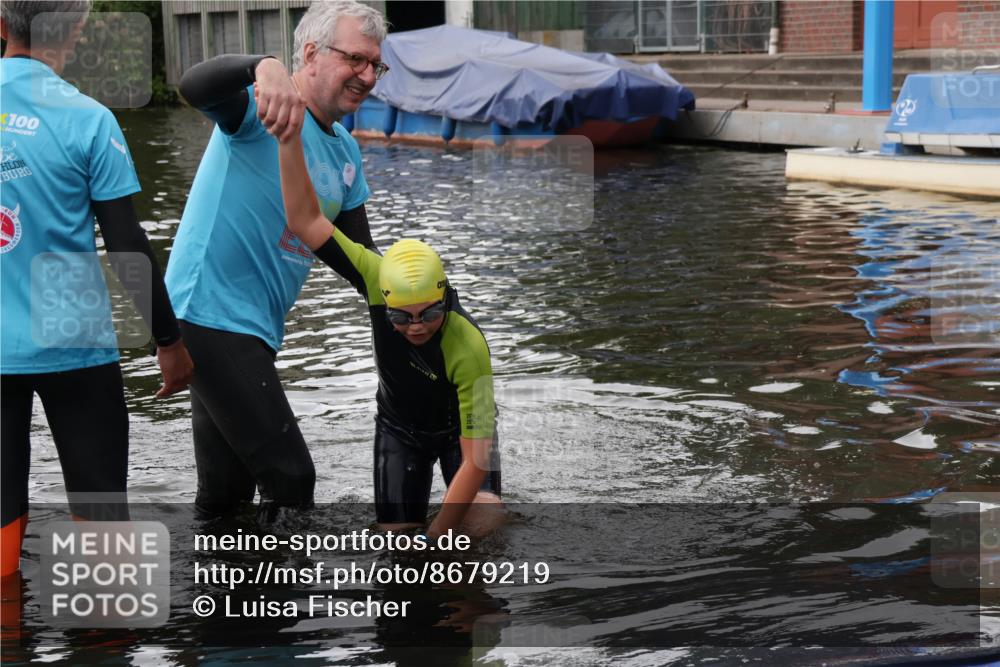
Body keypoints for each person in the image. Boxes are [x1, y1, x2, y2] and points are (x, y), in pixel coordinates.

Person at [165, 1, 387, 518]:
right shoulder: (260, 107)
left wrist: (432, 305)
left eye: (376, 65)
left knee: (226, 496)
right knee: (292, 477)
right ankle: (289, 599)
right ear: (310, 53)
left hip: (253, 331)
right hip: (206, 315)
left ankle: (220, 595)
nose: (368, 75)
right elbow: (194, 86)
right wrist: (260, 66)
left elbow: (362, 263)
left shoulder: (346, 154)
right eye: (356, 59)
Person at [0, 0, 193, 578]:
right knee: (100, 512)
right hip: (75, 344)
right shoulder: (88, 120)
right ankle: (104, 643)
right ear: (78, 31)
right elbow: (127, 246)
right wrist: (168, 341)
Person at [273, 125, 503, 538]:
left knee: (476, 533)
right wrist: (287, 140)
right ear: (384, 300)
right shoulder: (373, 274)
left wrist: (438, 538)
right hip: (399, 430)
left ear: (445, 298)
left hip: (459, 437)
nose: (415, 327)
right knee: (397, 550)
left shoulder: (470, 345)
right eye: (400, 318)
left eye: (428, 314)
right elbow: (305, 221)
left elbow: (476, 459)